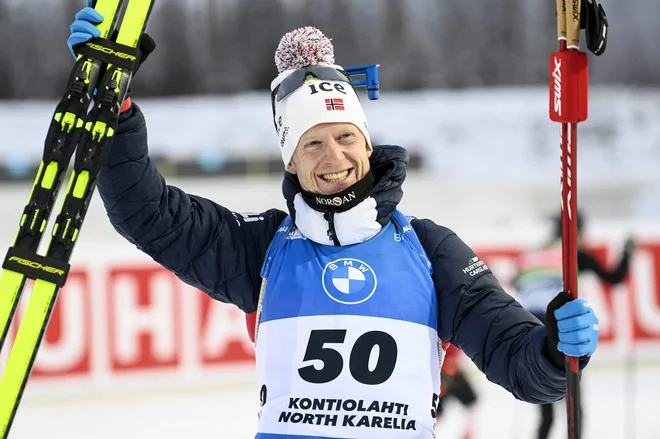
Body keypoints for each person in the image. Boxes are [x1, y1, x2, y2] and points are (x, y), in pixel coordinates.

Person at [67, 4, 601, 438]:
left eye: (346, 138)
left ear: (366, 144)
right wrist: (115, 107)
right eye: (312, 144)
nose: (334, 158)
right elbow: (149, 214)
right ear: (290, 161)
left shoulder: (430, 249)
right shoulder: (261, 247)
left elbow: (519, 361)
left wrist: (555, 352)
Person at [514, 210, 634, 439]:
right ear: (576, 232)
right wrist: (627, 252)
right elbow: (615, 278)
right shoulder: (573, 254)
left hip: (529, 331)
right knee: (574, 410)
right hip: (559, 332)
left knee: (545, 410)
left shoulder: (533, 254)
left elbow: (518, 283)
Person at [435, 344, 478, 439]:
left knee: (470, 402)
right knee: (436, 408)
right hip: (440, 371)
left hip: (448, 372)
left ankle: (468, 432)